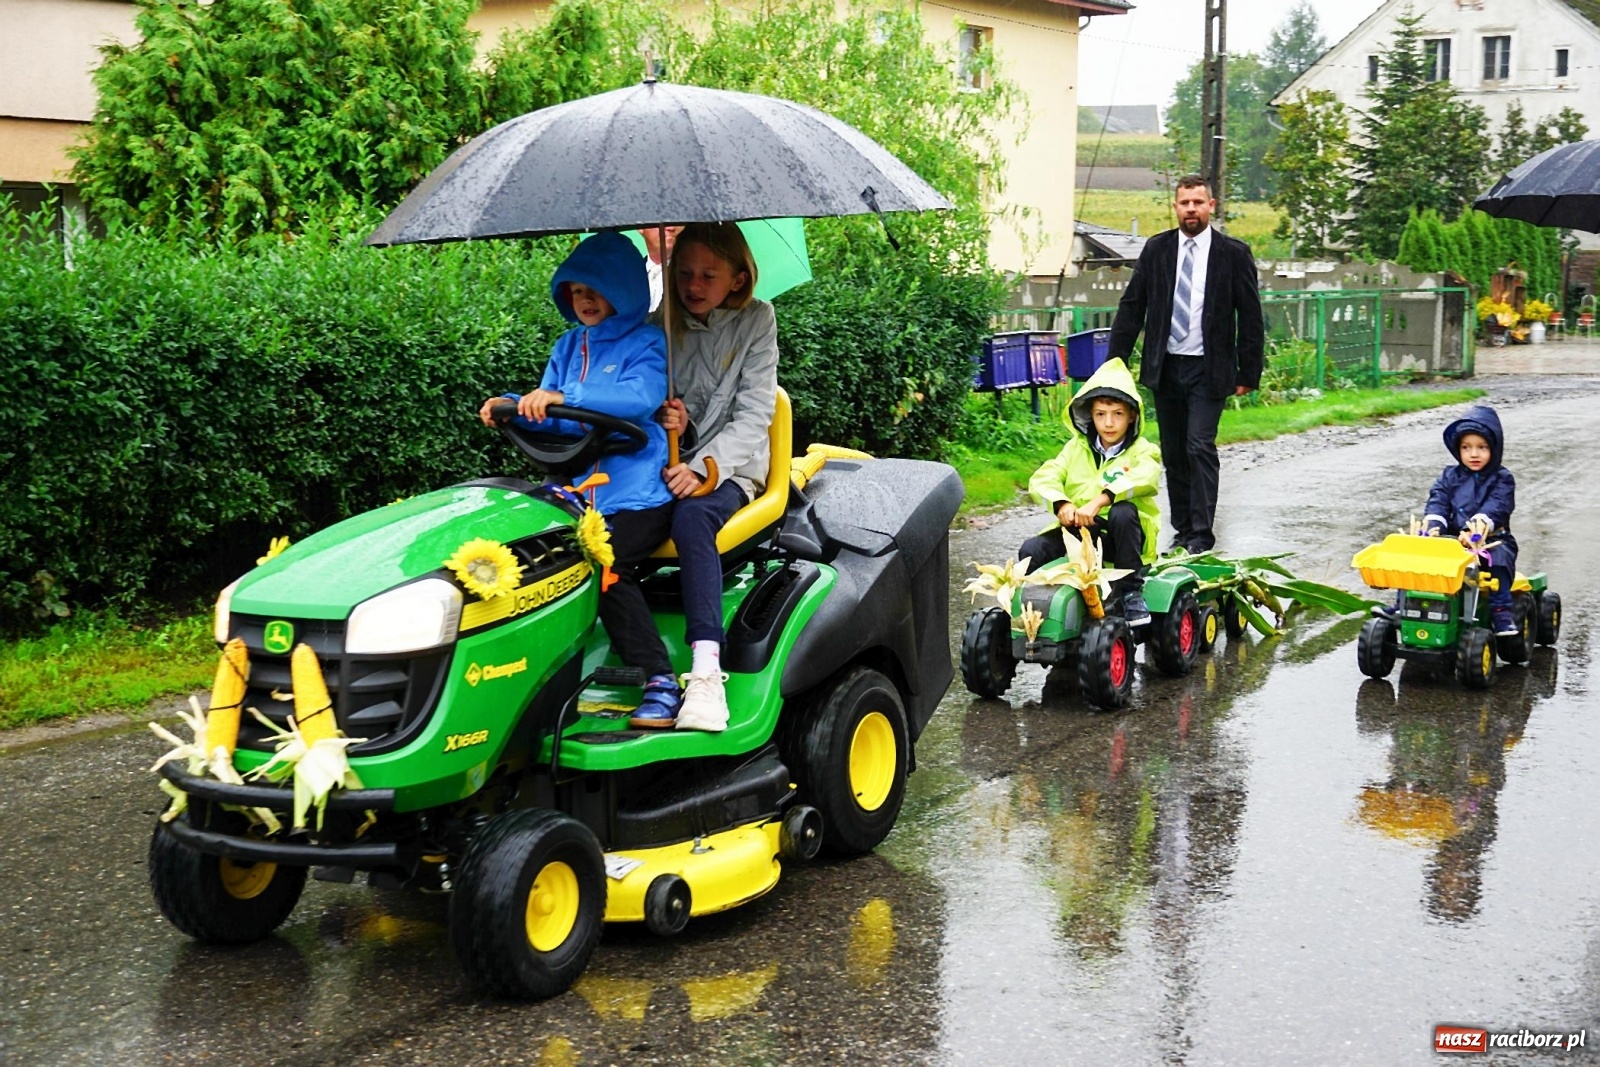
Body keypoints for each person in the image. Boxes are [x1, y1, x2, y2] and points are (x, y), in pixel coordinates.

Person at [477, 231, 684, 724]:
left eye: (596, 289)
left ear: (624, 289)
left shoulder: (649, 342)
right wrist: (514, 407)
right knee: (530, 556)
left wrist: (565, 399)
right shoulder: (569, 346)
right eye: (575, 291)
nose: (585, 299)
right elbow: (555, 415)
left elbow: (638, 399)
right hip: (577, 494)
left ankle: (658, 677)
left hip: (638, 494)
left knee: (603, 562)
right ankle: (526, 677)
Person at [644, 221, 780, 732]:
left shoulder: (758, 320)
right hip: (673, 463)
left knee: (692, 517)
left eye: (708, 275)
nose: (693, 286)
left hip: (733, 468)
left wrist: (704, 467)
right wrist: (675, 422)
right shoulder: (662, 322)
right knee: (604, 522)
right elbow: (649, 404)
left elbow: (754, 415)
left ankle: (705, 672)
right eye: (684, 273)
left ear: (738, 279)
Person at [1108, 174, 1263, 554]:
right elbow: (1133, 306)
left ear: (1211, 206)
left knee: (1199, 445)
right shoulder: (1157, 250)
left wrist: (1248, 371)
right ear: (1175, 207)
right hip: (1166, 367)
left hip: (1209, 369)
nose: (1191, 209)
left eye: (1198, 202)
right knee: (1174, 452)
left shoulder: (1233, 254)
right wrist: (1115, 362)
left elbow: (1250, 315)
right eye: (1184, 203)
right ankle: (1183, 531)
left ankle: (1202, 534)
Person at [1019, 358, 1162, 626]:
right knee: (1031, 550)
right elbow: (1045, 477)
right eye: (1100, 414)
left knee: (1122, 512)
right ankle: (1039, 611)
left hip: (1123, 539)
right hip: (1084, 533)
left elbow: (1146, 476)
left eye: (1117, 414)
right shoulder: (1075, 448)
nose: (1109, 423)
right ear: (1090, 415)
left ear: (1132, 415)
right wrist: (1062, 504)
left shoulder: (1143, 450)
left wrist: (1100, 500)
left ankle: (1130, 593)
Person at [1420, 405, 1518, 637]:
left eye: (1482, 447)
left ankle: (1501, 611)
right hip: (1452, 541)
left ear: (1494, 448)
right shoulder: (1448, 476)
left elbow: (1497, 506)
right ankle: (1403, 604)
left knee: (1499, 559)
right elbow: (1438, 501)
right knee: (1419, 559)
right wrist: (1434, 525)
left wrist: (1477, 528)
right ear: (1458, 449)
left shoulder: (1502, 478)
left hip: (1490, 540)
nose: (1474, 454)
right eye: (1466, 447)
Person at [639, 225, 683, 313]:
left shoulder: (689, 277)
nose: (671, 228)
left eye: (678, 221)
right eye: (660, 221)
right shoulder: (628, 277)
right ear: (640, 228)